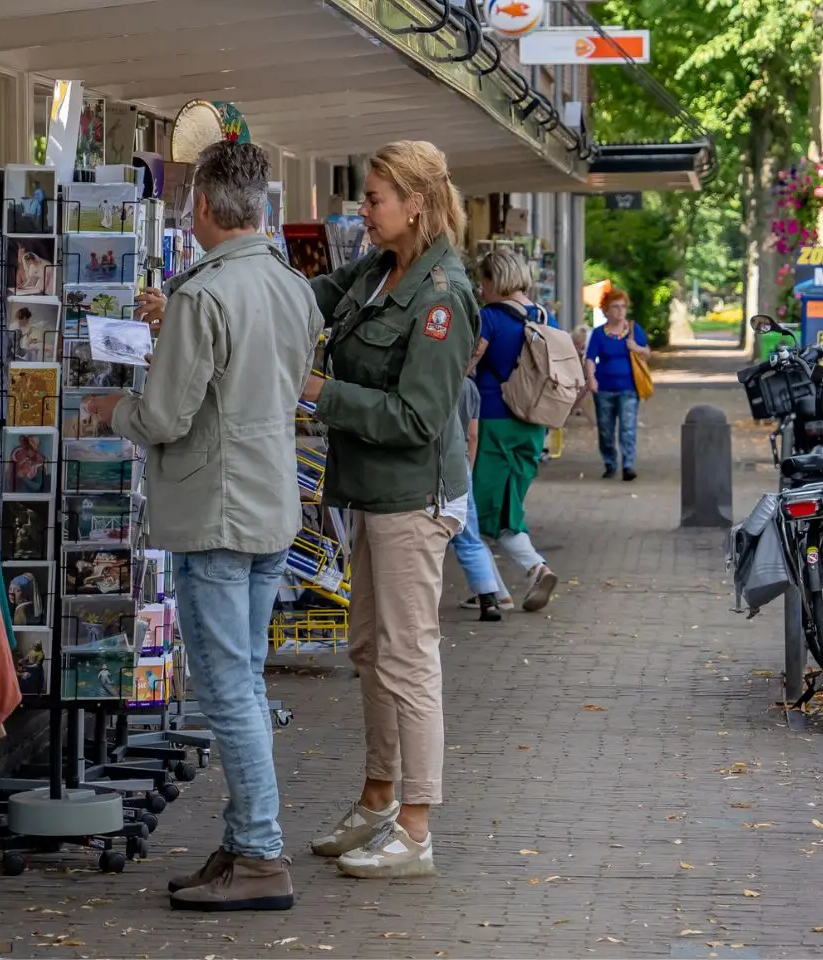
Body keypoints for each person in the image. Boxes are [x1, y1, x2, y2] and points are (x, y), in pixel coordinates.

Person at [81, 139, 320, 911]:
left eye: (191, 209)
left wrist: (104, 408)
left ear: (209, 209)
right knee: (243, 682)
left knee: (227, 693)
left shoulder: (203, 295)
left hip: (213, 511)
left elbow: (165, 414)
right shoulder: (290, 286)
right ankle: (247, 841)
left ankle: (259, 852)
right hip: (269, 503)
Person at [301, 140, 476, 879]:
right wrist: (196, 294)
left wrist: (319, 394)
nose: (362, 211)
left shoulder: (441, 297)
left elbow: (418, 417)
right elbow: (303, 298)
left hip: (412, 498)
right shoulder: (380, 271)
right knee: (372, 651)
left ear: (417, 204)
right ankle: (377, 801)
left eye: (374, 199)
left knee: (407, 657)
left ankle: (416, 826)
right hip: (371, 493)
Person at [469, 248, 561, 612]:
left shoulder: (489, 318)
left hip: (493, 420)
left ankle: (522, 575)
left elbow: (467, 364)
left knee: (477, 508)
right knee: (509, 506)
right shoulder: (543, 316)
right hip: (533, 423)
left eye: (483, 280)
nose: (480, 288)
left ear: (496, 280)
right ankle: (493, 586)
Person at [450, 372, 509, 620]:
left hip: (431, 461)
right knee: (470, 537)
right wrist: (469, 468)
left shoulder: (429, 377)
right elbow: (473, 434)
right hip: (460, 462)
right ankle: (489, 599)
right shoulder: (470, 387)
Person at [583, 288, 649, 481]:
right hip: (603, 389)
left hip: (629, 388)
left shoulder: (634, 330)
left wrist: (635, 347)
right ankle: (610, 463)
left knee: (628, 427)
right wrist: (591, 378)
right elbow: (589, 358)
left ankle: (628, 465)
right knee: (605, 429)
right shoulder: (598, 334)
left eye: (623, 307)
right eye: (615, 307)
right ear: (606, 310)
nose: (620, 311)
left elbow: (647, 353)